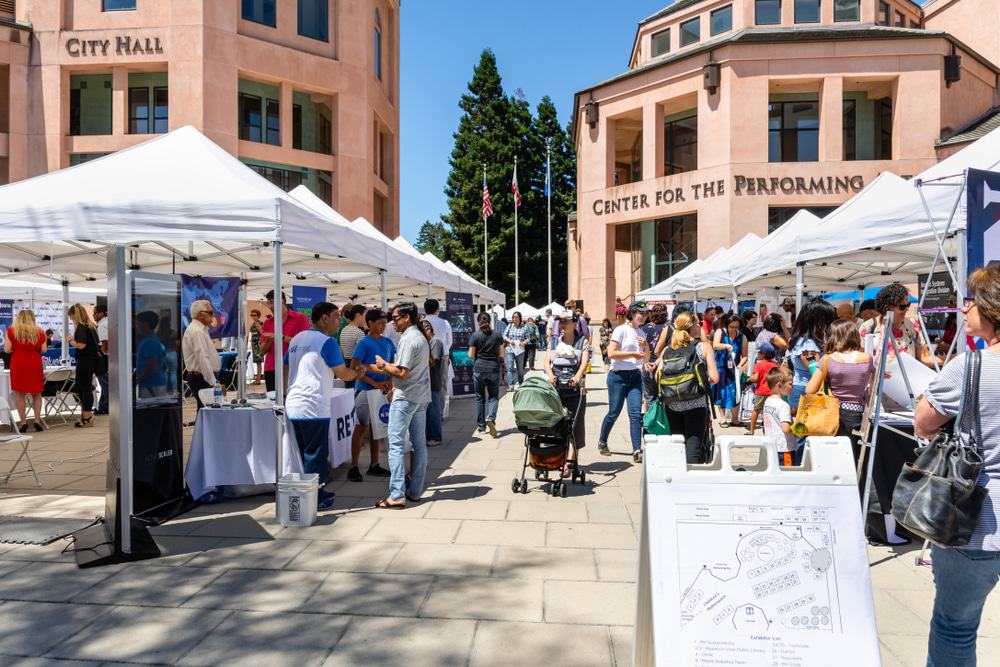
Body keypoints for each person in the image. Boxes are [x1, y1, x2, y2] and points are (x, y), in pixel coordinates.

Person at [914, 265, 1000, 666]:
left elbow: (924, 423)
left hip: (975, 521)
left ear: (989, 307)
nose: (963, 308)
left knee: (955, 627)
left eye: (970, 300)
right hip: (978, 523)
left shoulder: (969, 368)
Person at [285, 302, 362, 511]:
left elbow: (285, 366)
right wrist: (358, 373)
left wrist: (288, 389)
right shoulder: (326, 342)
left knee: (303, 453)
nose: (340, 320)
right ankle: (313, 499)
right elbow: (343, 373)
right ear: (324, 319)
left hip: (294, 403)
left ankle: (315, 491)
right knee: (315, 454)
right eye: (337, 316)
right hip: (313, 405)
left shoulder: (297, 339)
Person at [373, 302, 431, 509]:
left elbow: (402, 372)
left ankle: (397, 494)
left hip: (406, 396)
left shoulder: (409, 339)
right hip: (420, 397)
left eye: (395, 318)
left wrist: (383, 365)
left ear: (407, 318)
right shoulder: (420, 337)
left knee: (395, 445)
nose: (392, 322)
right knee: (419, 444)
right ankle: (415, 491)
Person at [805, 319, 874, 464]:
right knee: (855, 458)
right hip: (859, 414)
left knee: (834, 459)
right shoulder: (867, 359)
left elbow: (810, 390)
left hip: (833, 415)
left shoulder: (828, 359)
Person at [658, 311, 720, 464]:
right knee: (693, 446)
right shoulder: (704, 347)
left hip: (672, 404)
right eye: (698, 323)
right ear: (693, 327)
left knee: (677, 445)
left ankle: (678, 479)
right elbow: (714, 378)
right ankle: (691, 481)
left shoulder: (668, 350)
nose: (700, 326)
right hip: (696, 404)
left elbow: (657, 376)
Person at [347, 308, 394, 483]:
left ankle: (374, 464)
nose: (383, 326)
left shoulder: (388, 342)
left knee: (377, 428)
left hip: (381, 390)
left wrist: (389, 381)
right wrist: (373, 382)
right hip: (365, 390)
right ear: (370, 323)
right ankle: (354, 466)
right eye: (380, 322)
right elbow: (354, 367)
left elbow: (391, 364)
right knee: (361, 427)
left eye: (385, 322)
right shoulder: (363, 342)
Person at [598, 303, 649, 463]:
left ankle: (636, 450)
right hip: (617, 377)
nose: (643, 316)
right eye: (640, 313)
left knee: (635, 414)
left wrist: (646, 346)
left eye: (645, 313)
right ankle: (602, 441)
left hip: (635, 377)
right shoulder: (621, 330)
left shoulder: (642, 333)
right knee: (614, 412)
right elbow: (611, 353)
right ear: (632, 314)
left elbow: (645, 359)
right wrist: (632, 353)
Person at [546, 311, 591, 476]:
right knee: (558, 424)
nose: (562, 324)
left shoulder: (582, 342)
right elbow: (547, 361)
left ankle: (572, 458)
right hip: (557, 388)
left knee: (576, 424)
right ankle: (561, 457)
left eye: (566, 321)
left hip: (575, 389)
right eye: (561, 321)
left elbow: (584, 362)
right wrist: (550, 375)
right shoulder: (553, 340)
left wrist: (578, 376)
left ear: (574, 323)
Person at [859, 282, 936, 367]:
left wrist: (949, 359)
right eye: (902, 306)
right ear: (887, 307)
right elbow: (861, 361)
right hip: (882, 379)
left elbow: (924, 357)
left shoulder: (913, 325)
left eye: (908, 305)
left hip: (908, 378)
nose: (907, 309)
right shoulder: (867, 328)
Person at [787, 299, 837, 414]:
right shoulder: (808, 347)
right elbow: (816, 373)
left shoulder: (803, 341)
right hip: (807, 397)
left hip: (803, 394)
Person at [259, 289, 311, 393]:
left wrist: (280, 337)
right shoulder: (268, 323)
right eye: (268, 303)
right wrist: (269, 340)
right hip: (271, 368)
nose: (270, 307)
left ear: (282, 302)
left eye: (272, 303)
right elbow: (262, 351)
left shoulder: (300, 318)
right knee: (273, 402)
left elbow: (304, 343)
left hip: (294, 367)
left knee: (294, 400)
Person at [3, 309, 46, 432]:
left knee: (19, 393)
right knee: (37, 393)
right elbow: (44, 350)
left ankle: (23, 422)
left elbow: (6, 349)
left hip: (18, 363)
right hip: (34, 363)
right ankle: (37, 421)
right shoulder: (39, 331)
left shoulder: (11, 331)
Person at [469, 311, 504, 436]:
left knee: (480, 398)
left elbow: (471, 355)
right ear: (490, 321)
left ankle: (481, 427)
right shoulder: (497, 335)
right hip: (493, 369)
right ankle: (491, 419)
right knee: (493, 397)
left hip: (479, 369)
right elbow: (502, 354)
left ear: (479, 322)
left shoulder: (475, 335)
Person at [182, 299, 221, 410]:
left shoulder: (200, 329)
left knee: (206, 411)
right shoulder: (197, 331)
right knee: (208, 411)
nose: (213, 315)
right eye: (210, 312)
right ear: (201, 315)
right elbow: (202, 358)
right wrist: (214, 383)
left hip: (203, 377)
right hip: (202, 378)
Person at [711, 314, 748, 427]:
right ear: (727, 325)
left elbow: (745, 356)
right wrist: (726, 346)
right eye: (731, 326)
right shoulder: (720, 332)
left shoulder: (742, 337)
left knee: (735, 392)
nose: (733, 329)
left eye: (736, 327)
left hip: (734, 370)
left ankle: (735, 419)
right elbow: (715, 345)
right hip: (721, 368)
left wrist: (739, 366)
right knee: (721, 392)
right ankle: (722, 419)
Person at [67, 304, 100, 428]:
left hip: (85, 361)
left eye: (71, 316)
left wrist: (70, 340)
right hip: (91, 361)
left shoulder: (81, 327)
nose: (70, 319)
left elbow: (81, 345)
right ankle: (87, 414)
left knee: (84, 388)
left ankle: (87, 416)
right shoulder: (90, 326)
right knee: (83, 387)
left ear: (75, 314)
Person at [762, 366, 798, 466]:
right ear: (779, 385)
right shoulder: (783, 405)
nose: (793, 386)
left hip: (772, 447)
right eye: (790, 384)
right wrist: (798, 423)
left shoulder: (768, 401)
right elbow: (786, 429)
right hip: (785, 449)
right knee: (787, 477)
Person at [421, 319, 446, 447]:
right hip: (427, 382)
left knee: (434, 411)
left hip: (433, 382)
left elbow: (433, 361)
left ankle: (436, 436)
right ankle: (429, 436)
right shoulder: (428, 342)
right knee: (428, 411)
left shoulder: (435, 342)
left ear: (428, 330)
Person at [745, 343, 778, 437]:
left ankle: (751, 430)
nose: (758, 354)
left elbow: (756, 378)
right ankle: (769, 429)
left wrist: (749, 378)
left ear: (763, 354)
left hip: (761, 391)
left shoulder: (759, 364)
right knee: (770, 411)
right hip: (772, 391)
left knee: (756, 410)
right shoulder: (776, 365)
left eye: (759, 352)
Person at [640, 304, 669, 409]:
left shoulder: (644, 328)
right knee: (665, 397)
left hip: (646, 364)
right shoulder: (668, 329)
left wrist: (644, 362)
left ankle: (652, 421)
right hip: (663, 365)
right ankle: (663, 421)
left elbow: (640, 348)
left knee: (650, 397)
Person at [134, 311, 168, 398]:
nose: (137, 327)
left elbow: (150, 367)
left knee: (152, 409)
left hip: (152, 384)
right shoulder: (153, 340)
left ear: (145, 324)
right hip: (153, 383)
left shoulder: (149, 342)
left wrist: (137, 380)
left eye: (138, 324)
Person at [423, 299, 453, 383]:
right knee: (443, 385)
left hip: (425, 358)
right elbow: (450, 342)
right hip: (443, 357)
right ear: (437, 309)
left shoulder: (420, 323)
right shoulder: (445, 322)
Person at [339, 304, 367, 390]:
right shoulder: (358, 332)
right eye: (365, 316)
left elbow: (342, 350)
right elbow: (362, 353)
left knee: (348, 392)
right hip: (355, 367)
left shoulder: (344, 329)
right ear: (358, 315)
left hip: (345, 365)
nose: (366, 319)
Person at [503, 311, 529, 389]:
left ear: (520, 318)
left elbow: (528, 338)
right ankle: (511, 385)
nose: (515, 318)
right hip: (510, 349)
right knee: (510, 368)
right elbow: (504, 335)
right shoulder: (509, 326)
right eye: (513, 317)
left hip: (520, 350)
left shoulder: (524, 327)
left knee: (520, 368)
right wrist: (509, 341)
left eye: (517, 317)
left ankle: (521, 384)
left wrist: (524, 342)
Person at [93, 304, 110, 415]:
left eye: (95, 313)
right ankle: (103, 404)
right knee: (105, 382)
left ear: (101, 313)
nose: (93, 315)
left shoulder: (103, 325)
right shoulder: (108, 321)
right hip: (109, 356)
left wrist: (102, 355)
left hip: (104, 356)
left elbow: (105, 342)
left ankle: (106, 405)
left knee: (105, 382)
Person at [248, 308, 264, 385]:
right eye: (251, 315)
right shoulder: (254, 324)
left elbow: (262, 334)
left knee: (258, 362)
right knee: (258, 362)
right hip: (254, 345)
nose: (253, 316)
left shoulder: (259, 323)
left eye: (254, 315)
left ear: (258, 316)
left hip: (258, 345)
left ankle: (258, 380)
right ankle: (258, 379)